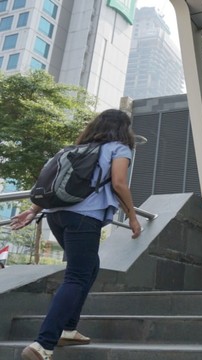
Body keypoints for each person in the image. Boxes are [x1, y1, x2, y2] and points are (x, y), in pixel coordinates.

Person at [11, 109, 142, 360]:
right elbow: (119, 183)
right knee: (76, 276)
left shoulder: (72, 150)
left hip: (56, 215)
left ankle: (68, 329)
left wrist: (33, 210)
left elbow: (52, 183)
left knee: (89, 268)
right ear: (124, 129)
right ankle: (43, 344)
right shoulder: (119, 148)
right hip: (84, 218)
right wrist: (133, 218)